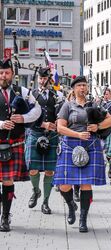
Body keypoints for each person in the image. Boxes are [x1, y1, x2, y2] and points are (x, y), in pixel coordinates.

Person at [53, 76, 111, 232]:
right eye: (79, 85)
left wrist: (97, 126)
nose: (82, 88)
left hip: (90, 145)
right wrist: (77, 135)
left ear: (87, 88)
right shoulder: (67, 106)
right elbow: (60, 128)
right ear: (73, 89)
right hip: (70, 144)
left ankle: (83, 219)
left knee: (86, 184)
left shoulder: (94, 105)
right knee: (64, 185)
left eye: (84, 85)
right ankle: (71, 206)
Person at [0, 58, 41, 231]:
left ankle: (5, 217)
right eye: (1, 73)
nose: (3, 76)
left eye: (6, 73)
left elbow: (37, 110)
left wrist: (23, 118)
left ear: (12, 74)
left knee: (7, 180)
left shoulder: (22, 91)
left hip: (13, 143)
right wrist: (1, 124)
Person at [25, 67, 63, 214]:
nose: (42, 81)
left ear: (49, 79)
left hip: (51, 136)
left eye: (44, 78)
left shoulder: (57, 95)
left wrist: (58, 124)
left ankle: (46, 202)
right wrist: (42, 124)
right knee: (33, 169)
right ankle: (36, 191)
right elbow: (26, 116)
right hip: (35, 133)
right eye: (40, 78)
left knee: (49, 171)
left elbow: (61, 115)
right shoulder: (31, 95)